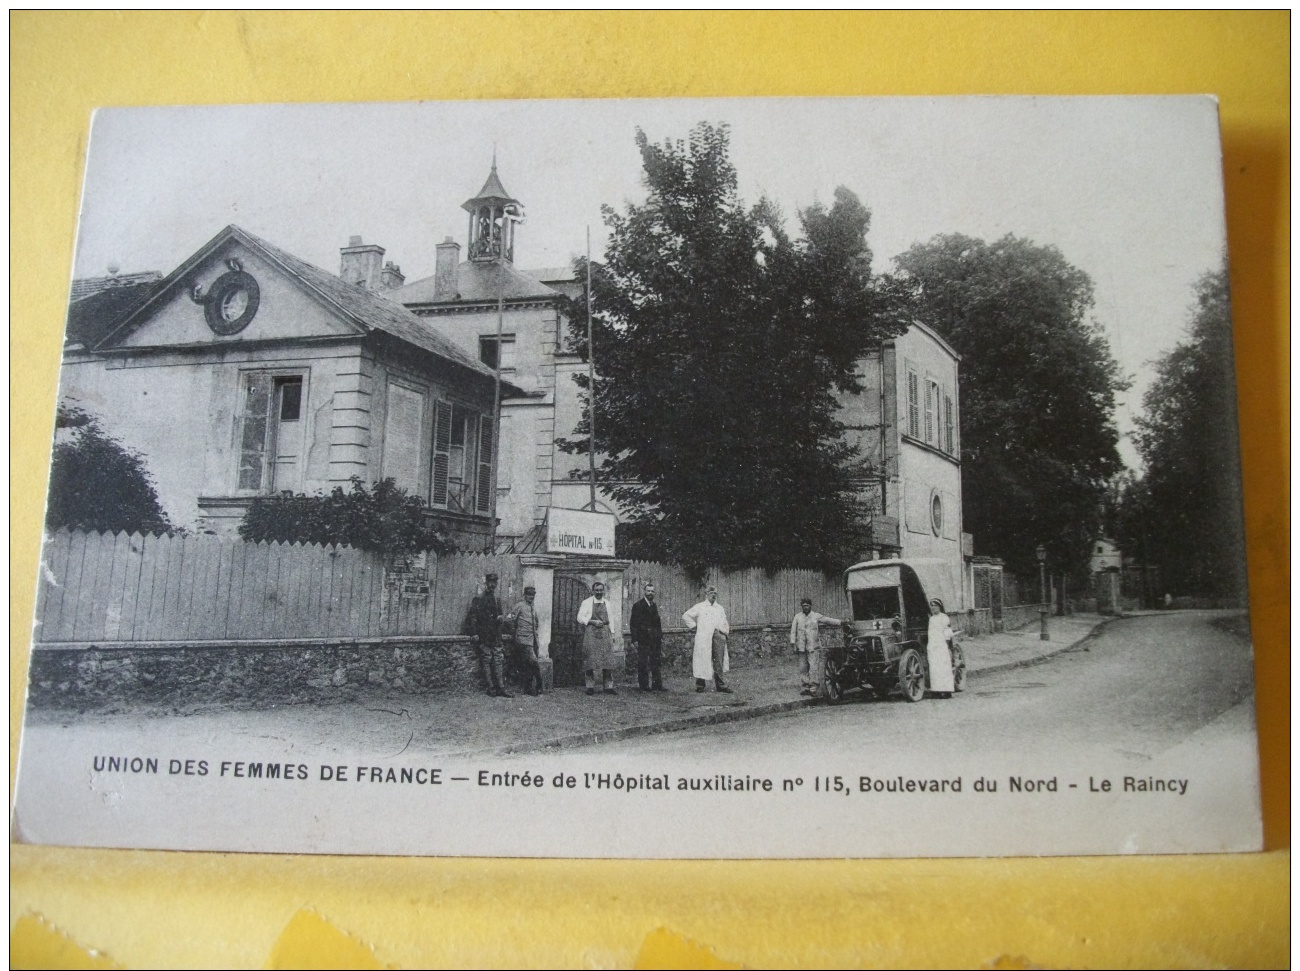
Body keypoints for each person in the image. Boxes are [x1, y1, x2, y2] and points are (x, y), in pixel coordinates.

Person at [789, 597, 844, 698]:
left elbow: (828, 620)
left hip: (813, 646)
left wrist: (841, 622)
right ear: (802, 606)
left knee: (813, 667)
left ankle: (813, 688)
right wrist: (793, 644)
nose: (805, 607)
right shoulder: (797, 617)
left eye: (807, 605)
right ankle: (805, 687)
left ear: (810, 606)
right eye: (804, 606)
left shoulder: (815, 616)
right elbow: (793, 631)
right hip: (801, 647)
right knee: (803, 668)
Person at [468, 573, 510, 698]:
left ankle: (501, 687)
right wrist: (474, 633)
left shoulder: (497, 599)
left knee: (498, 660)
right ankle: (491, 687)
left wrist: (501, 618)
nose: (493, 585)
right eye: (491, 582)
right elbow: (473, 617)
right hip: (484, 634)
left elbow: (500, 614)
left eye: (495, 582)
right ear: (486, 583)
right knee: (486, 659)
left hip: (496, 635)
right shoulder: (479, 598)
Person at [683, 586, 731, 693]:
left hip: (718, 636)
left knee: (718, 661)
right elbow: (686, 616)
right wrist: (695, 627)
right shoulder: (700, 606)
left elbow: (724, 621)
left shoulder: (720, 608)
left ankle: (721, 685)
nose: (713, 595)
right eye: (711, 593)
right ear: (706, 594)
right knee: (702, 659)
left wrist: (724, 633)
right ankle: (700, 685)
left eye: (715, 593)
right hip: (704, 637)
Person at [576, 581, 617, 696]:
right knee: (590, 660)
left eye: (601, 590)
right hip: (591, 633)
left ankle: (608, 687)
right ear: (593, 591)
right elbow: (579, 617)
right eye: (597, 590)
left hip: (605, 632)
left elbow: (611, 619)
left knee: (607, 660)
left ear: (603, 591)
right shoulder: (587, 602)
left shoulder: (607, 603)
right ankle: (590, 687)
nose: (599, 592)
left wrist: (612, 633)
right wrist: (592, 621)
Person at [505, 585, 545, 696]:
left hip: (533, 640)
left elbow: (536, 623)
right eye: (529, 595)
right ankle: (539, 685)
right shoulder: (519, 606)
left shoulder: (532, 608)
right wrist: (516, 632)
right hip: (523, 640)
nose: (531, 597)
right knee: (533, 662)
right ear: (524, 595)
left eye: (533, 595)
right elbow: (509, 620)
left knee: (528, 665)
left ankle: (529, 688)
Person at [629, 581, 665, 692]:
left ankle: (657, 685)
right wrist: (634, 639)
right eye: (648, 591)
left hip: (655, 639)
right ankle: (644, 686)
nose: (650, 593)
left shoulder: (654, 605)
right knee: (643, 662)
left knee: (656, 662)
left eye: (652, 591)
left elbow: (657, 623)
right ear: (644, 592)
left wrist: (660, 637)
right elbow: (633, 623)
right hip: (643, 639)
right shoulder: (638, 605)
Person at [925, 597, 956, 698]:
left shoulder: (944, 617)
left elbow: (947, 631)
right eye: (932, 606)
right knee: (934, 668)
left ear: (940, 607)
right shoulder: (931, 618)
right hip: (932, 645)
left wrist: (945, 643)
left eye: (935, 606)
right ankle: (936, 690)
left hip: (941, 645)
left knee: (943, 667)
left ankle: (947, 691)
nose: (933, 608)